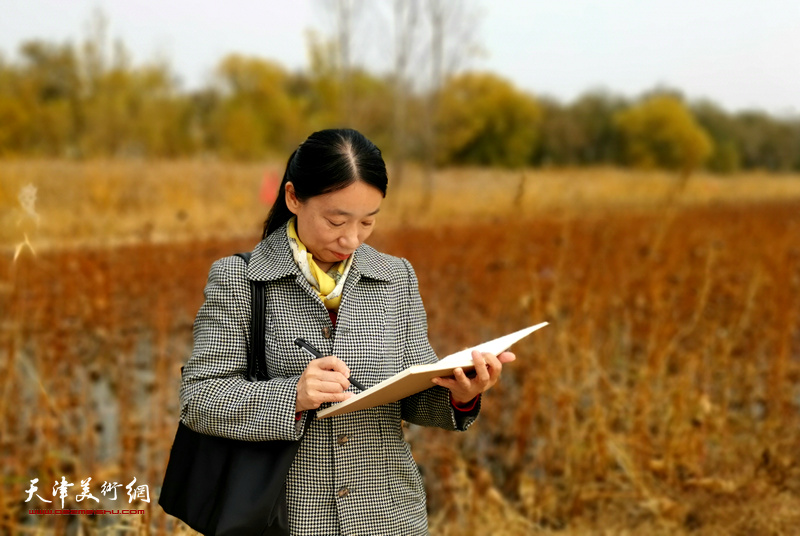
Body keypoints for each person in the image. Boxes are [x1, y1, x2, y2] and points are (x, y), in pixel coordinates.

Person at [179, 128, 515, 535]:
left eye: (368, 222)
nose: (350, 238)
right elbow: (199, 398)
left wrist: (461, 395)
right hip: (285, 519)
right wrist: (293, 396)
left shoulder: (395, 277)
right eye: (336, 220)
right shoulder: (240, 279)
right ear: (292, 198)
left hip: (389, 517)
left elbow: (414, 395)